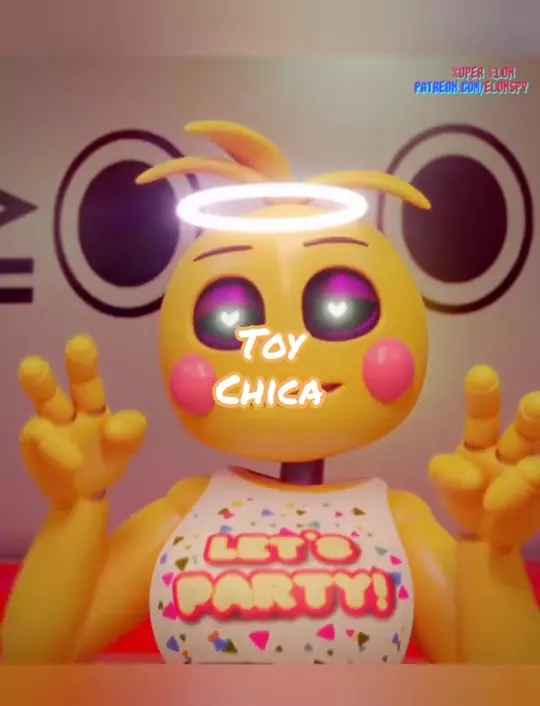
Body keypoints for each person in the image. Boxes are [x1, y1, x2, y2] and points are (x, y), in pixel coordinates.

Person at [2, 121, 540, 664]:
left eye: (340, 306)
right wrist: (76, 511)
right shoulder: (188, 513)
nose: (282, 343)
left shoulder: (397, 523)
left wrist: (490, 552)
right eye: (228, 315)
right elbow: (33, 660)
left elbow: (504, 685)